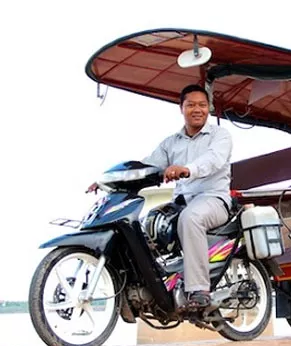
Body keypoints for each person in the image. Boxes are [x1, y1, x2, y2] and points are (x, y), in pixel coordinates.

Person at [88, 84, 233, 311]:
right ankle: (158, 283)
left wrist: (187, 169)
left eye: (203, 105)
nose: (198, 110)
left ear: (209, 109)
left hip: (213, 199)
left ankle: (199, 289)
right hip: (181, 202)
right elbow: (148, 166)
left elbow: (214, 159)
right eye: (191, 105)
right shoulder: (171, 143)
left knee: (190, 219)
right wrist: (107, 180)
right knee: (147, 224)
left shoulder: (220, 136)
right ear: (181, 108)